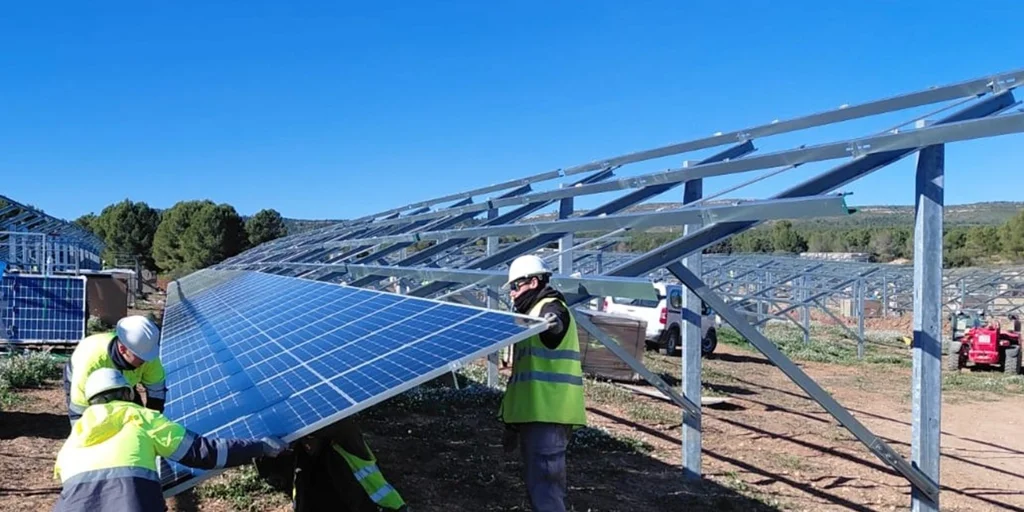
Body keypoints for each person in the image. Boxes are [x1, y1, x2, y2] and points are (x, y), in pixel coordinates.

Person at [52, 368, 289, 512]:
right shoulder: (141, 417)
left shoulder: (74, 437)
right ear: (128, 393)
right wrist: (259, 447)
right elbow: (202, 452)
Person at [498, 254, 587, 512]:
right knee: (538, 487)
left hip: (549, 416)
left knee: (546, 490)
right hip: (534, 416)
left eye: (516, 286)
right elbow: (524, 378)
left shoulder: (550, 307)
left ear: (534, 282)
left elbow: (555, 323)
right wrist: (512, 424)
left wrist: (552, 324)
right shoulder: (529, 316)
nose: (512, 294)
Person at [64, 315, 167, 426]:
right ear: (123, 349)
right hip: (88, 383)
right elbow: (79, 412)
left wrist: (151, 425)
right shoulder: (90, 362)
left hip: (124, 383)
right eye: (141, 358)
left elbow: (156, 395)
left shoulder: (148, 356)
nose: (146, 361)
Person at [291, 417, 409, 512]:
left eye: (310, 437)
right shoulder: (302, 460)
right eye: (303, 439)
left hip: (383, 508)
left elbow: (341, 423)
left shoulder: (350, 443)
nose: (307, 444)